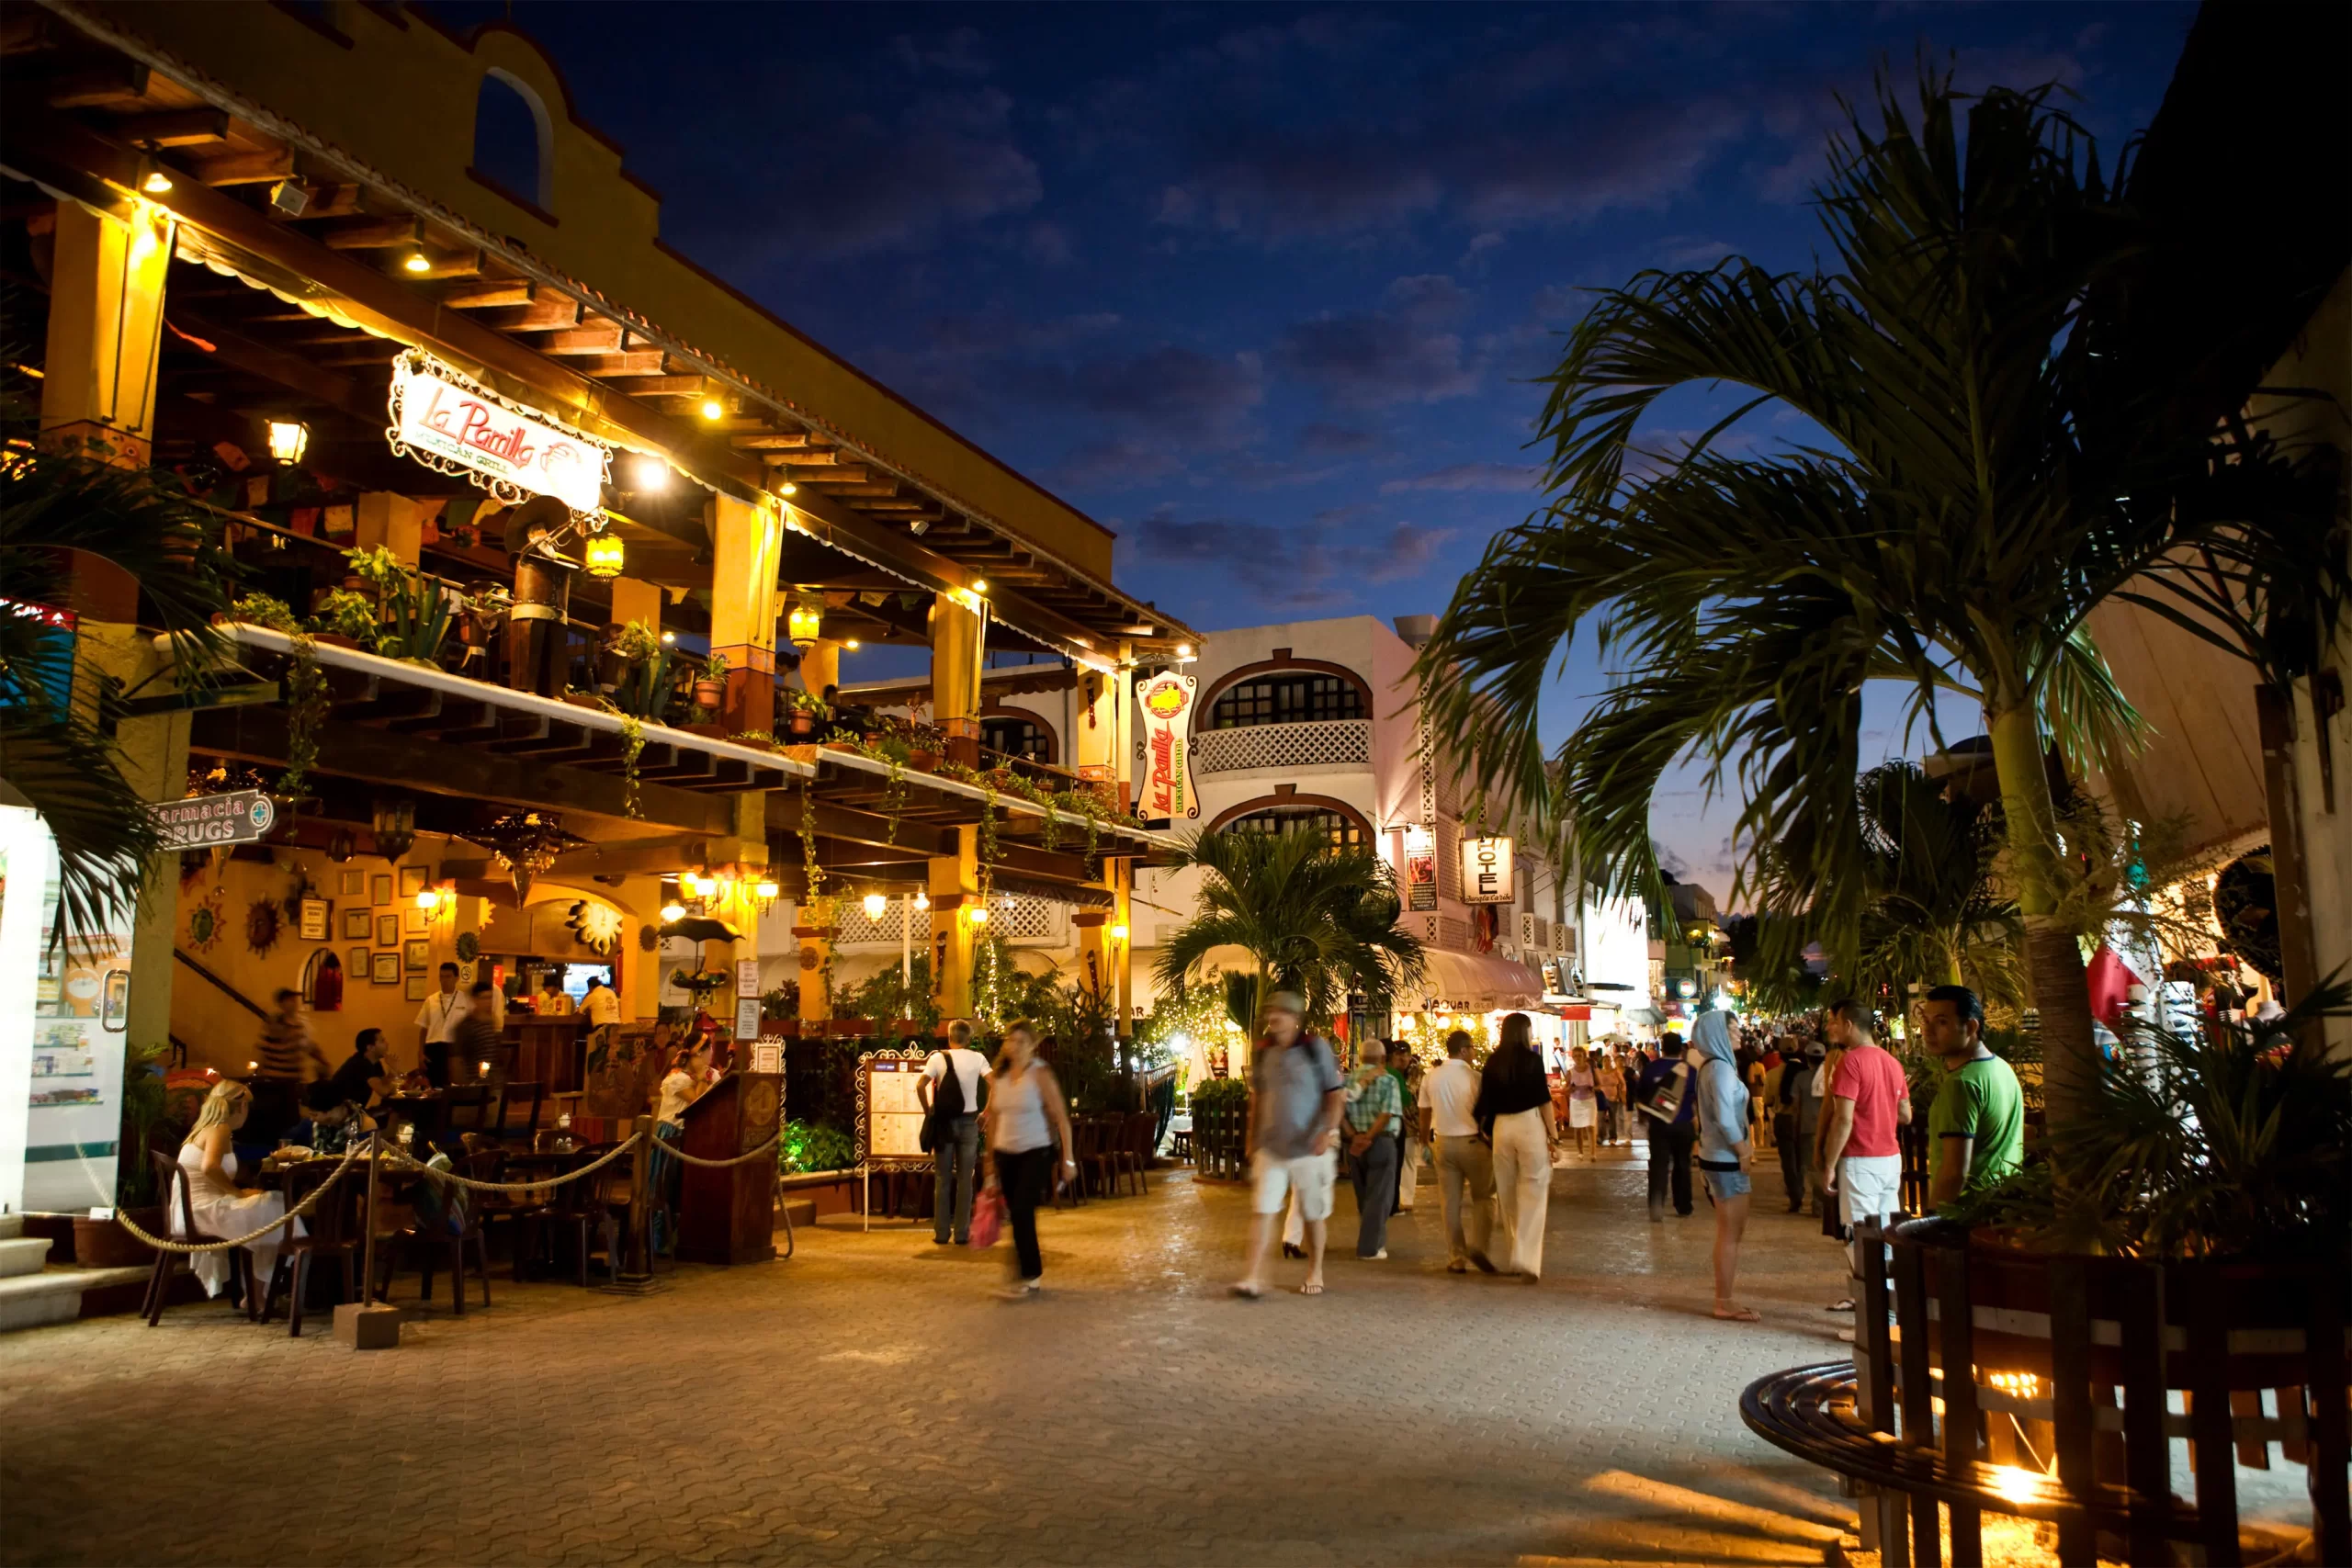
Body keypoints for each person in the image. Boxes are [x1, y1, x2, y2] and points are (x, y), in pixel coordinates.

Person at [1233, 991, 1344, 1299]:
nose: (1273, 1017)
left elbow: (1335, 1094)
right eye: (1271, 1011)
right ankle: (1253, 1276)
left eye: (1280, 1012)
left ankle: (1315, 1269)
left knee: (1312, 1213)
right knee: (1263, 1210)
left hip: (1309, 1146)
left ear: (1295, 1019)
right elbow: (1259, 1096)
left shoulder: (1315, 1048)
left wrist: (1327, 1131)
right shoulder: (1264, 1050)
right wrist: (1251, 1138)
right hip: (1272, 1146)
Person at [1817, 998, 1912, 1313]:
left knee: (1861, 1237)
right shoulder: (1891, 1062)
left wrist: (1829, 1165)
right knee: (1885, 1233)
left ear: (1849, 1025)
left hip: (1861, 1159)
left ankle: (1876, 1315)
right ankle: (1887, 1303)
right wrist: (1879, 1110)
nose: (1830, 1027)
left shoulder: (1852, 1062)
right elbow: (1905, 1115)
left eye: (1834, 1022)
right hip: (1890, 1159)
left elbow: (1843, 1119)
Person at [173, 1080, 300, 1310]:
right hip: (202, 1212)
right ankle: (260, 1294)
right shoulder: (219, 1128)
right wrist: (238, 1193)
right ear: (241, 1108)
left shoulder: (205, 1128)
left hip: (191, 1210)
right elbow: (209, 1167)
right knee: (276, 1208)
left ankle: (256, 1295)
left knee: (268, 1210)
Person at [980, 1020, 1078, 1299]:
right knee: (1017, 1213)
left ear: (1032, 1045)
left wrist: (1068, 1159)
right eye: (1012, 1040)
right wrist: (990, 1165)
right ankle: (1024, 1271)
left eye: (1022, 1041)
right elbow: (994, 1120)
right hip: (1005, 1154)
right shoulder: (999, 1077)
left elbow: (1061, 1116)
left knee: (1023, 1209)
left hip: (1036, 1151)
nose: (1016, 1046)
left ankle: (1029, 1274)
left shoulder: (1040, 1074)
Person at [1921, 985, 2024, 1205]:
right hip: (2003, 1208)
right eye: (1926, 1021)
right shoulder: (2002, 1068)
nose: (1927, 1031)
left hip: (1966, 1215)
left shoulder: (1962, 1084)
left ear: (1970, 1027)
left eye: (1941, 1022)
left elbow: (1954, 1173)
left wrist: (1932, 1222)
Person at [1475, 1012, 1556, 1283]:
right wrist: (1554, 1137)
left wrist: (1485, 1131)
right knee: (1533, 1189)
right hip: (1528, 1124)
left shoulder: (1493, 1061)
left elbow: (1484, 1100)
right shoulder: (1533, 1061)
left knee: (1508, 1193)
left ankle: (1514, 1256)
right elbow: (1544, 1100)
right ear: (1525, 1032)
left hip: (1502, 1128)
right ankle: (1527, 1259)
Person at [1690, 1011, 1758, 1321]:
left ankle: (1725, 1298)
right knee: (1730, 1233)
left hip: (1721, 1158)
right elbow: (1725, 1118)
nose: (1739, 1035)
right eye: (1732, 1029)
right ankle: (1724, 1300)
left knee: (1732, 1232)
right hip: (1725, 1160)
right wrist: (1743, 1151)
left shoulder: (1716, 1067)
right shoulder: (1719, 1070)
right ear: (1717, 1033)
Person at [1420, 1029, 1495, 1273]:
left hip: (1443, 1143)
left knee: (1449, 1203)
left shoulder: (1430, 1077)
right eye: (1472, 1048)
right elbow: (1485, 1112)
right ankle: (1479, 1247)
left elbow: (1424, 1111)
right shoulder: (1475, 1077)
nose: (1474, 1052)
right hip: (1472, 1143)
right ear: (1464, 1050)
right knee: (1484, 1197)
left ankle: (1456, 1256)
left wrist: (1425, 1141)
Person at [920, 1021, 991, 1246]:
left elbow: (920, 1084)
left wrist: (928, 1111)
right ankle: (961, 1233)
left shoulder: (937, 1058)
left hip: (944, 1124)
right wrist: (986, 1112)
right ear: (968, 1038)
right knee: (965, 1179)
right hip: (970, 1122)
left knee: (942, 1178)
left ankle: (941, 1233)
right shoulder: (977, 1058)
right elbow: (994, 1082)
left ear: (949, 1037)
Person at [1340, 1039, 1401, 1260]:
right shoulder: (1388, 1080)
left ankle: (1375, 1242)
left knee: (1364, 1195)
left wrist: (1354, 1136)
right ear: (1383, 1059)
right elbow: (1387, 1114)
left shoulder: (1349, 1082)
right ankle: (1369, 1248)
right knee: (1379, 1197)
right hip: (1381, 1142)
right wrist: (1369, 1137)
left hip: (1355, 1146)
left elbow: (1339, 1113)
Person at [649, 1039, 710, 1254]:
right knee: (663, 1186)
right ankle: (654, 1241)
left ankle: (671, 1239)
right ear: (694, 1056)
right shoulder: (677, 1079)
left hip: (683, 1136)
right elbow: (696, 1102)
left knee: (676, 1189)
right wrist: (702, 1080)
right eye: (706, 1052)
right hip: (669, 1134)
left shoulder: (690, 1078)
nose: (709, 1056)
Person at [1635, 1032, 1698, 1221]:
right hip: (1684, 1124)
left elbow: (1641, 1095)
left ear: (1662, 1047)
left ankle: (1656, 1201)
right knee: (1682, 1164)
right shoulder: (1690, 1071)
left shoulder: (1651, 1069)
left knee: (1658, 1164)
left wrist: (1642, 1117)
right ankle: (1683, 1205)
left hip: (1659, 1125)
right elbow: (1696, 1099)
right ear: (1681, 1048)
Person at [252, 987, 328, 1142]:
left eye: (295, 1000)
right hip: (273, 1081)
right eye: (290, 1001)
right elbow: (263, 1051)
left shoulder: (299, 1026)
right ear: (282, 1003)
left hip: (291, 1081)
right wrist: (261, 1073)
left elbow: (309, 1046)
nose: (294, 1004)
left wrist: (323, 1062)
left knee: (291, 1120)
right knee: (275, 1121)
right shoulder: (274, 1025)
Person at [416, 963, 469, 1089]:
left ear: (456, 978)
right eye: (442, 976)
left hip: (454, 1048)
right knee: (432, 1087)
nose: (444, 980)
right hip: (433, 1049)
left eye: (448, 976)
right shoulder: (431, 1000)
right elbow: (424, 1028)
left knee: (452, 1087)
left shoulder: (465, 1000)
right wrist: (420, 1053)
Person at [325, 1028, 394, 1110]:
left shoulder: (375, 1063)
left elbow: (386, 1086)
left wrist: (392, 1070)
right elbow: (384, 1092)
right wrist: (393, 1068)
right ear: (370, 1047)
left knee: (392, 1110)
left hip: (353, 1110)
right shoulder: (361, 1064)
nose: (387, 1044)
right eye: (382, 1041)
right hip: (338, 1113)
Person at [1388, 1044, 1420, 1214]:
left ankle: (1406, 1199)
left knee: (1407, 1160)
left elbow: (1414, 1097)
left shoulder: (1414, 1074)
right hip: (1399, 1123)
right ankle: (1396, 1198)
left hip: (1410, 1123)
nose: (1403, 1060)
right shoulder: (1394, 1074)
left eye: (1405, 1056)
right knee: (1398, 1161)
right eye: (1399, 1056)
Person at [453, 982, 503, 1084]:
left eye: (490, 998)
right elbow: (457, 1058)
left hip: (493, 1081)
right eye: (484, 998)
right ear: (475, 1000)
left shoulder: (491, 1023)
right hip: (475, 1082)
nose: (488, 1002)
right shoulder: (467, 1026)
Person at [1563, 1046, 1598, 1158]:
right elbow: (1565, 1088)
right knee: (1578, 1128)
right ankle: (1580, 1152)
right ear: (1573, 1058)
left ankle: (1593, 1153)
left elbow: (1599, 1085)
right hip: (1576, 1101)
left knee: (1590, 1126)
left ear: (1584, 1057)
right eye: (1575, 1056)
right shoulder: (1570, 1072)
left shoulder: (1592, 1070)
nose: (1578, 1058)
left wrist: (1594, 1088)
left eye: (1580, 1055)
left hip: (1589, 1100)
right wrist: (1570, 1089)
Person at [581, 970, 619, 1055]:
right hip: (617, 1029)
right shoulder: (611, 992)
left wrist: (587, 995)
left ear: (590, 987)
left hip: (601, 1030)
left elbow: (580, 1012)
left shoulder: (592, 996)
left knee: (597, 1055)